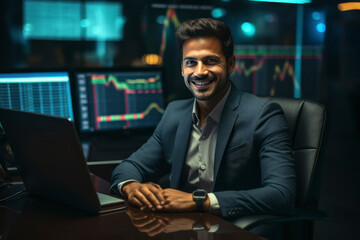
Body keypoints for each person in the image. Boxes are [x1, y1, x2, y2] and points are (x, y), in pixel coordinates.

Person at [111, 18, 296, 219]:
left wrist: (200, 201)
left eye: (211, 61)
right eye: (191, 62)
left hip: (233, 230)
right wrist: (130, 186)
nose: (199, 72)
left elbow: (282, 194)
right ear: (182, 69)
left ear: (231, 64)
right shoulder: (174, 113)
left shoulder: (263, 114)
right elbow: (131, 166)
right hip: (180, 229)